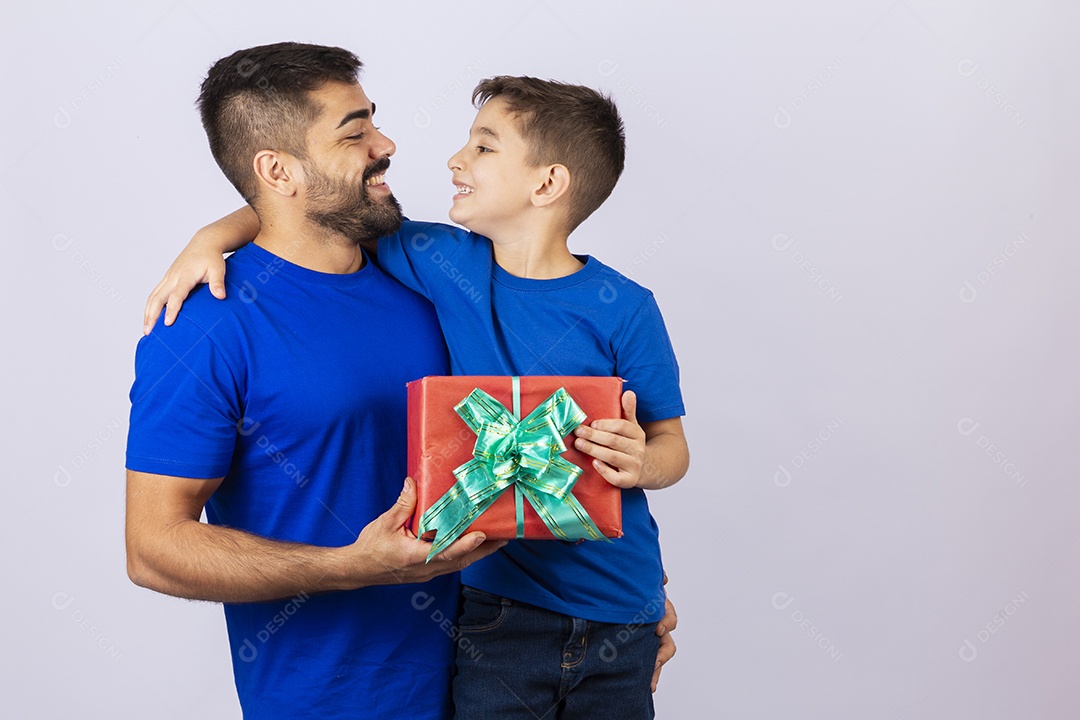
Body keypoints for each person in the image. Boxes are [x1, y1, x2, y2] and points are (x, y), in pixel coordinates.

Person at [129, 42, 676, 720]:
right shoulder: (204, 324)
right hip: (340, 701)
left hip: (501, 656)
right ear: (278, 169)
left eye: (374, 122)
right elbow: (152, 549)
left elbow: (548, 444)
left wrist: (618, 607)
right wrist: (351, 566)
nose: (387, 145)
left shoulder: (436, 285)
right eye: (355, 133)